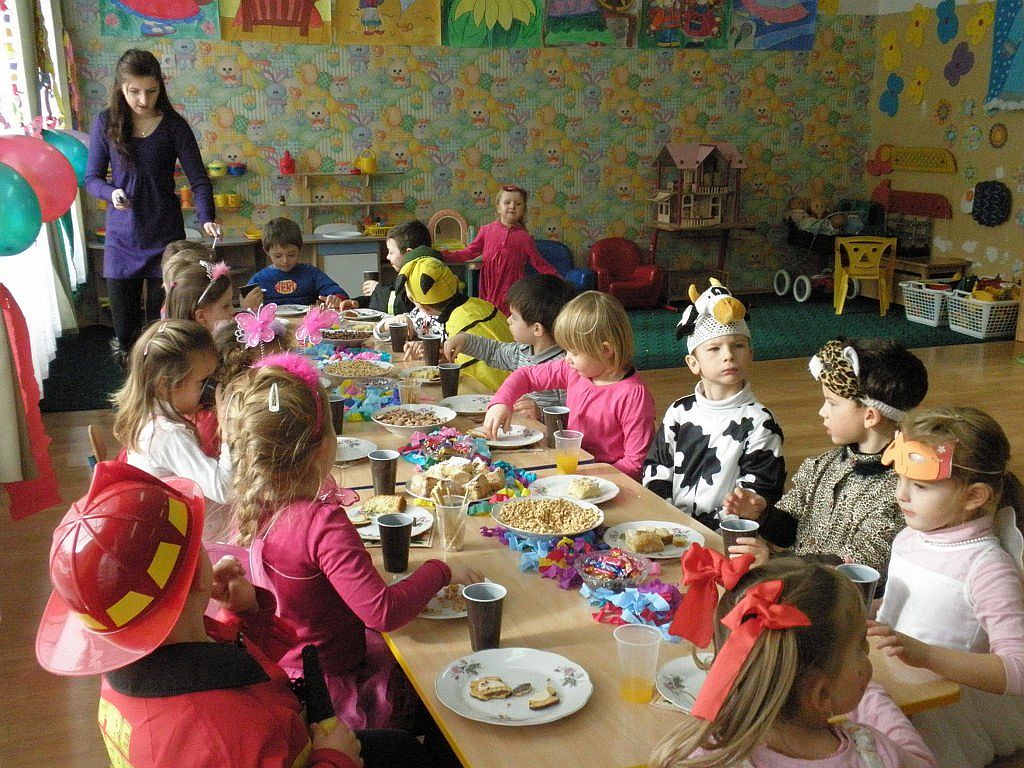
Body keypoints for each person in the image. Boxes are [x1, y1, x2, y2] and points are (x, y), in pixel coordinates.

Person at [34, 460, 422, 768]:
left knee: (401, 747)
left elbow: (235, 678)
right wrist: (334, 759)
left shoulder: (136, 669)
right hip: (304, 753)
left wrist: (246, 617)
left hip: (289, 740)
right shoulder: (224, 738)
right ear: (197, 575)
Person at [223, 352, 484, 732]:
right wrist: (440, 570)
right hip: (326, 686)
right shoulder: (321, 523)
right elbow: (382, 613)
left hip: (283, 667)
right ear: (324, 447)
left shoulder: (252, 507)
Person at [651, 555, 937, 768]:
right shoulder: (873, 754)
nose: (867, 654)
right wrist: (872, 696)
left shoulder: (701, 756)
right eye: (861, 646)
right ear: (820, 693)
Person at [869, 407, 1024, 768]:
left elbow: (1018, 669)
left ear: (974, 496)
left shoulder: (987, 568)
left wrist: (924, 655)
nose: (901, 495)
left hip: (944, 714)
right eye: (900, 479)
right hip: (895, 685)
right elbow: (907, 609)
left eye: (920, 486)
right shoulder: (910, 536)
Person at [729, 338, 928, 577]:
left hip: (837, 597)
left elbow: (855, 565)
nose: (822, 411)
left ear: (870, 416)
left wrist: (776, 563)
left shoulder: (900, 490)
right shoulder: (822, 465)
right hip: (798, 583)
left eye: (832, 403)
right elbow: (791, 530)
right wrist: (763, 515)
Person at [85, 48, 220, 363]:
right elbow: (91, 178)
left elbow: (199, 180)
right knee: (126, 334)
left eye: (151, 90)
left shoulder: (174, 125)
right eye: (134, 91)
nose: (143, 99)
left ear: (160, 87)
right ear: (120, 87)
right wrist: (110, 193)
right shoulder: (106, 122)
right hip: (122, 239)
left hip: (165, 239)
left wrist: (206, 218)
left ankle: (164, 388)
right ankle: (135, 387)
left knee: (163, 328)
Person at [642, 281, 785, 531]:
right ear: (693, 363)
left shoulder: (760, 422)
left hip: (725, 534)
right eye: (714, 348)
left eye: (738, 345)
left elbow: (759, 490)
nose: (728, 355)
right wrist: (667, 519)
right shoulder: (679, 412)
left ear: (750, 355)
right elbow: (657, 468)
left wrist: (718, 526)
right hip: (671, 528)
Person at [483, 290, 655, 480]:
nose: (567, 359)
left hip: (606, 480)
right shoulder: (574, 370)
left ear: (605, 350)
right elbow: (526, 375)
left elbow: (635, 463)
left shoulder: (633, 395)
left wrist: (586, 478)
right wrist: (501, 402)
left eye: (574, 352)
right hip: (572, 468)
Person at [112, 319, 233, 540]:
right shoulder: (168, 435)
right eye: (203, 382)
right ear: (165, 385)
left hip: (173, 527)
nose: (211, 389)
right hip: (195, 542)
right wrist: (228, 431)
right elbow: (224, 489)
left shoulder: (149, 416)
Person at [444, 273, 576, 419]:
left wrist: (541, 414)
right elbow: (494, 351)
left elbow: (574, 417)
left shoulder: (565, 366)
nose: (508, 320)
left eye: (514, 317)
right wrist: (464, 340)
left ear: (537, 329)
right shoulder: (522, 350)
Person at [395, 257, 514, 390]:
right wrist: (444, 353)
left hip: (497, 392)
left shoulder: (459, 321)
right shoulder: (479, 304)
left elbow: (473, 376)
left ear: (424, 308)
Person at [441, 184, 558, 315]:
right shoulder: (486, 231)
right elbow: (469, 252)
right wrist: (444, 255)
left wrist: (560, 281)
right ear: (498, 208)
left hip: (512, 296)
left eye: (518, 204)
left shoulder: (525, 238)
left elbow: (540, 264)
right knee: (488, 321)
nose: (512, 206)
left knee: (508, 324)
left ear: (523, 210)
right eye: (507, 202)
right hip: (487, 293)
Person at [250, 217, 350, 307]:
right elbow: (247, 307)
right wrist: (249, 303)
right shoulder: (259, 279)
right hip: (272, 321)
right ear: (267, 252)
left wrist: (336, 298)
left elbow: (338, 293)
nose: (285, 261)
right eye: (278, 256)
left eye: (291, 255)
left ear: (300, 249)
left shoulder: (311, 273)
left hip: (306, 320)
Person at [356, 220, 439, 316]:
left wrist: (377, 290)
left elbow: (397, 306)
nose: (387, 257)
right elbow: (392, 291)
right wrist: (358, 303)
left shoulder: (421, 277)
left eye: (391, 252)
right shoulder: (408, 272)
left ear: (409, 254)